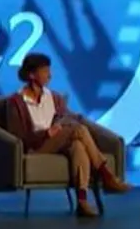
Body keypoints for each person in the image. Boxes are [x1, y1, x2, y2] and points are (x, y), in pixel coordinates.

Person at [7, 53, 130, 217]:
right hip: (35, 148)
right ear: (31, 75)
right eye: (45, 71)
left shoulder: (54, 98)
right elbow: (18, 137)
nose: (50, 75)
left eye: (49, 71)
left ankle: (82, 202)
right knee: (78, 130)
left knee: (78, 145)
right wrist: (46, 133)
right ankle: (106, 175)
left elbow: (69, 116)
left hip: (58, 143)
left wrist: (68, 122)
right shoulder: (16, 102)